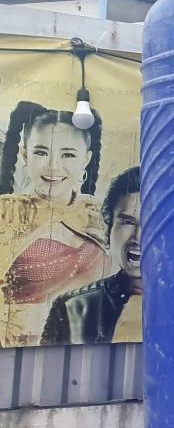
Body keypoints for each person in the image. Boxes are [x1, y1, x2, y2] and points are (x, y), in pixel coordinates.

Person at [0, 103, 106, 346]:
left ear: (86, 159)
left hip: (83, 345)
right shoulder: (7, 212)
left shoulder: (101, 215)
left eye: (67, 154)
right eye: (41, 152)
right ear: (25, 154)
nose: (53, 166)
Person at [42, 167, 140, 345]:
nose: (138, 236)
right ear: (108, 230)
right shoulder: (72, 309)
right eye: (127, 222)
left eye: (151, 223)